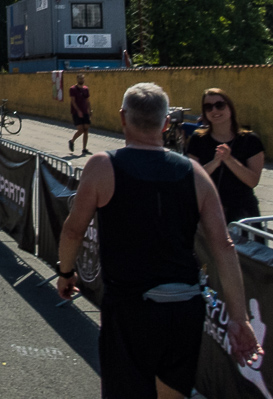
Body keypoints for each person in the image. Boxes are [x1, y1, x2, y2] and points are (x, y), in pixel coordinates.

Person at [57, 82, 262, 399]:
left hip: (129, 306)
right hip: (183, 307)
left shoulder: (103, 166)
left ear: (123, 117)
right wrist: (239, 319)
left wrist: (66, 272)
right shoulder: (194, 172)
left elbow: (74, 229)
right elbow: (224, 247)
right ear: (166, 123)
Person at [186, 88, 264, 225]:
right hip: (208, 209)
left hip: (242, 211)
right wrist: (215, 162)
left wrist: (229, 159)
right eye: (208, 107)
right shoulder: (197, 139)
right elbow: (193, 178)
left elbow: (252, 181)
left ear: (230, 107)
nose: (214, 111)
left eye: (219, 105)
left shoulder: (250, 140)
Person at [68, 73, 92, 155]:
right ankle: (72, 141)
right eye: (80, 78)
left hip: (85, 111)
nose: (82, 80)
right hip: (76, 112)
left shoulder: (86, 89)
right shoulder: (73, 89)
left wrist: (90, 110)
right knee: (81, 129)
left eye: (83, 78)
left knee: (86, 129)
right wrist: (78, 111)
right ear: (77, 79)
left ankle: (84, 149)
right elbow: (73, 101)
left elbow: (87, 100)